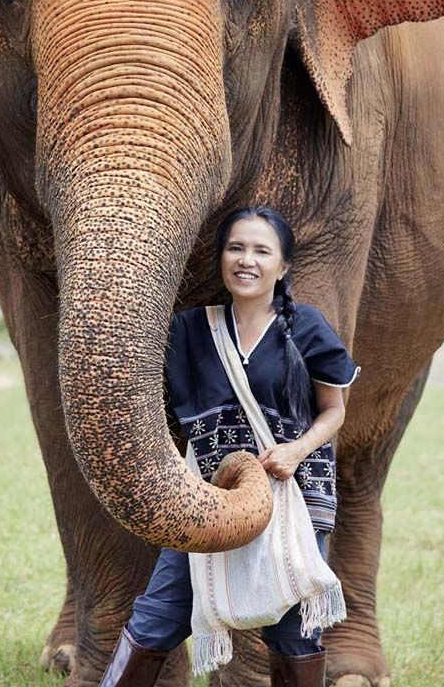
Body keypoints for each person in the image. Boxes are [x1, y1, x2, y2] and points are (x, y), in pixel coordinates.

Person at [99, 206, 360, 687]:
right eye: (236, 248)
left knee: (293, 630)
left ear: (282, 267)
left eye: (262, 251)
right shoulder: (191, 329)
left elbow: (334, 410)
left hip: (292, 493)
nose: (247, 260)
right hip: (211, 495)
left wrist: (296, 450)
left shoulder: (306, 328)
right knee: (160, 611)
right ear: (221, 258)